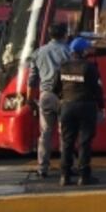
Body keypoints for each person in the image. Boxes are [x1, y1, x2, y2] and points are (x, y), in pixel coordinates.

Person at [56, 37, 105, 186]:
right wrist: (102, 107)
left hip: (67, 106)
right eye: (87, 49)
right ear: (83, 51)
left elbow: (55, 88)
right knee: (84, 142)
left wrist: (65, 97)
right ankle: (84, 176)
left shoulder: (62, 66)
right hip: (86, 106)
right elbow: (98, 90)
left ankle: (64, 176)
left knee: (67, 142)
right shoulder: (90, 67)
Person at [28, 24, 70, 178]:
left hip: (45, 96)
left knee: (45, 133)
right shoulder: (68, 51)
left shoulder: (38, 52)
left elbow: (32, 80)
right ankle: (65, 167)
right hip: (64, 95)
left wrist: (29, 99)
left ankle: (42, 168)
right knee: (64, 133)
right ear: (64, 34)